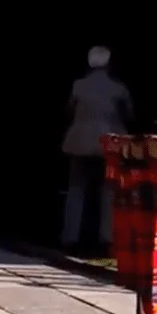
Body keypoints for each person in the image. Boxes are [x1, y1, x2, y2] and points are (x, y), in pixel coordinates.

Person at [60, 45, 133, 255]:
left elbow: (69, 111)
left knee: (76, 189)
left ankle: (70, 237)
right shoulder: (118, 88)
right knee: (109, 190)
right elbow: (129, 114)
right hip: (110, 142)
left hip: (80, 141)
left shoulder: (78, 86)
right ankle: (106, 237)